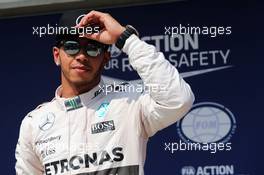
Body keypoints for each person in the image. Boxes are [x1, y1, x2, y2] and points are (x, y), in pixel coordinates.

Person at [15, 10, 194, 175]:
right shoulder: (34, 122)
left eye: (93, 48)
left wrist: (127, 39)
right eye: (71, 46)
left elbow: (178, 100)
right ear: (56, 55)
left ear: (106, 59)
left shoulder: (129, 104)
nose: (82, 55)